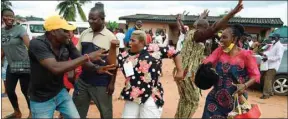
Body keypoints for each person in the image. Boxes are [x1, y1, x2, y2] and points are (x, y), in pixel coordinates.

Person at [28, 15, 116, 118]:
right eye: (65, 31)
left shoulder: (66, 42)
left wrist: (96, 68)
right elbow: (55, 68)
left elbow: (78, 58)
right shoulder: (37, 44)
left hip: (60, 92)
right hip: (41, 98)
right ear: (53, 32)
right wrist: (88, 57)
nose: (69, 34)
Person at [174, 0, 244, 118]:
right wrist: (232, 13)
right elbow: (215, 27)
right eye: (206, 29)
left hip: (183, 72)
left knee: (185, 100)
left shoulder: (192, 34)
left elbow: (200, 25)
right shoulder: (197, 35)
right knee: (193, 101)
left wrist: (202, 16)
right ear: (203, 28)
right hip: (187, 74)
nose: (208, 32)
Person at [118, 30, 184, 118]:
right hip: (133, 94)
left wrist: (180, 70)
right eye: (130, 40)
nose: (129, 43)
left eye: (133, 40)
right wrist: (112, 47)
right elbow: (112, 63)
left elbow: (175, 52)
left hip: (151, 93)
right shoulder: (124, 56)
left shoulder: (154, 49)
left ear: (141, 42)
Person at [202, 24, 260, 118]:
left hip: (236, 100)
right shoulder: (219, 51)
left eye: (224, 37)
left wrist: (244, 85)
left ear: (234, 39)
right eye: (220, 37)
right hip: (215, 99)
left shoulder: (245, 55)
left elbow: (255, 76)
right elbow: (207, 63)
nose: (221, 40)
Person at [73, 2, 119, 118]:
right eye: (89, 19)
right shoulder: (84, 33)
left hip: (101, 83)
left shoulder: (110, 38)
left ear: (103, 20)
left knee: (106, 113)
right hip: (83, 80)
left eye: (94, 19)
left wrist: (112, 83)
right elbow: (77, 54)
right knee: (77, 111)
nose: (91, 21)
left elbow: (114, 64)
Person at [1, 8, 31, 118]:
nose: (10, 18)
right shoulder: (2, 32)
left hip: (24, 64)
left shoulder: (20, 29)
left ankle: (31, 113)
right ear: (2, 18)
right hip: (11, 65)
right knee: (9, 90)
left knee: (26, 91)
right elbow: (3, 50)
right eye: (7, 16)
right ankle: (17, 112)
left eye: (12, 16)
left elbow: (29, 46)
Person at [260, 33, 285, 99]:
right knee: (268, 79)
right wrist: (264, 54)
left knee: (267, 80)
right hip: (269, 65)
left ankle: (265, 95)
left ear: (277, 38)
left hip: (273, 66)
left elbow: (278, 57)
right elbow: (270, 53)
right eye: (272, 38)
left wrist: (268, 58)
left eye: (273, 38)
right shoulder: (274, 45)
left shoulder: (279, 46)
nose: (272, 39)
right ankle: (270, 92)